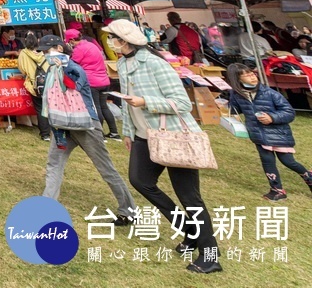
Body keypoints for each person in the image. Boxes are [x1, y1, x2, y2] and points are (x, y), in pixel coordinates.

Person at [106, 19, 221, 274]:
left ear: (124, 41)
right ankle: (189, 230)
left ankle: (210, 254)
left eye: (113, 38)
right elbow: (126, 103)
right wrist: (127, 131)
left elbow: (182, 103)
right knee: (140, 180)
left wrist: (146, 101)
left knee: (189, 197)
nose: (111, 42)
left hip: (174, 136)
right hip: (142, 135)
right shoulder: (124, 63)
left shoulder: (156, 64)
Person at [36, 35, 135, 225]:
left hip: (85, 124)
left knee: (105, 168)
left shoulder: (74, 68)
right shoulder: (52, 70)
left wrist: (63, 68)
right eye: (44, 52)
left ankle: (128, 210)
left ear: (59, 48)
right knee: (54, 164)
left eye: (48, 51)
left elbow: (73, 86)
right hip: (61, 125)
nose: (46, 55)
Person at [225, 64, 311, 200]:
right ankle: (277, 190)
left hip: (278, 133)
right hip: (258, 134)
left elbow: (289, 112)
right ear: (237, 79)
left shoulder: (270, 93)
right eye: (247, 75)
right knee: (267, 161)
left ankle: (309, 177)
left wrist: (272, 118)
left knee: (288, 161)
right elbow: (237, 109)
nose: (252, 77)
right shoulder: (237, 95)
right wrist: (225, 105)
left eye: (252, 74)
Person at [66, 29, 118, 140]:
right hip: (104, 80)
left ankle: (100, 134)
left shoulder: (79, 49)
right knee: (104, 107)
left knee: (95, 107)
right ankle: (114, 133)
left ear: (71, 40)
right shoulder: (91, 45)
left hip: (92, 81)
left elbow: (72, 65)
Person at [18, 45, 51, 141]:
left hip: (34, 85)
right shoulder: (45, 51)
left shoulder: (24, 53)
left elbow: (22, 68)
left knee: (40, 109)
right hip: (48, 83)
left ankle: (45, 134)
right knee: (50, 107)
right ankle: (57, 131)